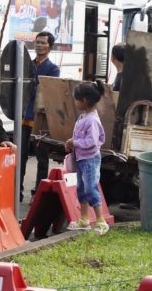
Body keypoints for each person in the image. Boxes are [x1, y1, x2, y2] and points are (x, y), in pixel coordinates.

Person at [65, 81, 109, 236]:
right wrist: (72, 143)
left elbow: (91, 142)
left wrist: (74, 142)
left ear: (84, 101)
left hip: (90, 160)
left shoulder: (92, 120)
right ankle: (84, 219)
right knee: (82, 188)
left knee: (90, 188)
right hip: (82, 158)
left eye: (77, 99)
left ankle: (101, 221)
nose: (75, 102)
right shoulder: (84, 117)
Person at [20, 31, 60, 199]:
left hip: (41, 121)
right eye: (37, 42)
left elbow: (48, 92)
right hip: (24, 118)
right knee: (20, 158)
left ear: (50, 47)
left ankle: (39, 193)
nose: (39, 45)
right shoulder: (27, 64)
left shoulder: (53, 69)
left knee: (41, 160)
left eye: (43, 42)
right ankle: (18, 191)